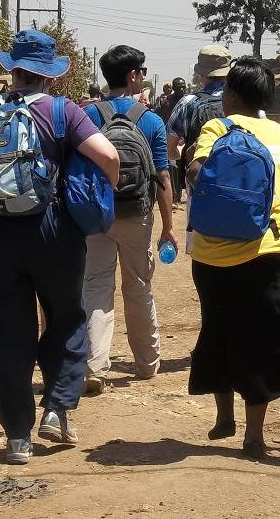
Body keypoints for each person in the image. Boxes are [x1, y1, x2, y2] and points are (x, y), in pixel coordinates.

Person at [0, 30, 120, 465]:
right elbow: (108, 157)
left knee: (6, 332)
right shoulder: (63, 112)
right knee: (66, 317)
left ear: (12, 69)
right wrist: (102, 194)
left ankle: (17, 438)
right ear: (50, 75)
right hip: (53, 230)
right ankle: (57, 408)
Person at [186, 56, 280, 460]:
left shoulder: (216, 128)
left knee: (218, 329)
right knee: (264, 340)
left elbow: (196, 173)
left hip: (214, 253)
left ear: (231, 94)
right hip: (273, 250)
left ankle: (224, 416)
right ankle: (254, 435)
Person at [81, 45, 177, 392]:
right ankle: (147, 362)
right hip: (137, 214)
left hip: (97, 214)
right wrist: (168, 227)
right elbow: (162, 177)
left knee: (96, 286)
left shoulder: (89, 116)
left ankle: (94, 365)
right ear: (133, 75)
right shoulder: (151, 121)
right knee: (138, 285)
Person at [167, 45, 231, 207]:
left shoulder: (187, 103)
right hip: (237, 184)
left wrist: (180, 154)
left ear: (200, 74)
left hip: (199, 185)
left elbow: (170, 149)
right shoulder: (240, 101)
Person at [156, 77, 188, 207]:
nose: (182, 89)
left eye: (183, 86)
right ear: (173, 88)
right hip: (168, 137)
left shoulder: (188, 101)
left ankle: (178, 196)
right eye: (179, 87)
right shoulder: (165, 101)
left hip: (183, 139)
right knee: (171, 167)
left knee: (181, 167)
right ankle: (173, 197)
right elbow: (157, 115)